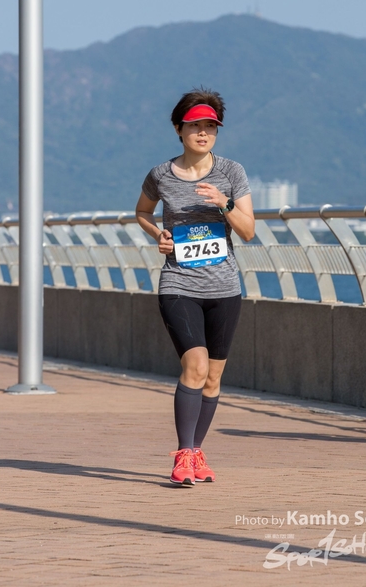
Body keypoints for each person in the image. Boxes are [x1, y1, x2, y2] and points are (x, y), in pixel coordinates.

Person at [136, 88, 255, 486]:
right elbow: (142, 211)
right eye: (194, 126)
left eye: (210, 127)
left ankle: (197, 451)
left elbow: (248, 231)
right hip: (179, 283)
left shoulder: (232, 173)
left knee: (213, 377)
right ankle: (184, 453)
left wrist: (224, 202)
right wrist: (158, 234)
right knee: (196, 365)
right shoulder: (160, 175)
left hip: (224, 287)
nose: (203, 133)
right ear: (178, 129)